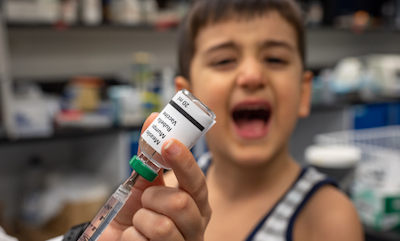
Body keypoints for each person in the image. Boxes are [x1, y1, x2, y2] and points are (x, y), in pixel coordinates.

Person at [63, 0, 365, 240]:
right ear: (185, 101)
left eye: (274, 59)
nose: (251, 76)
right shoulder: (162, 196)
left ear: (303, 92)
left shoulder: (330, 218)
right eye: (224, 61)